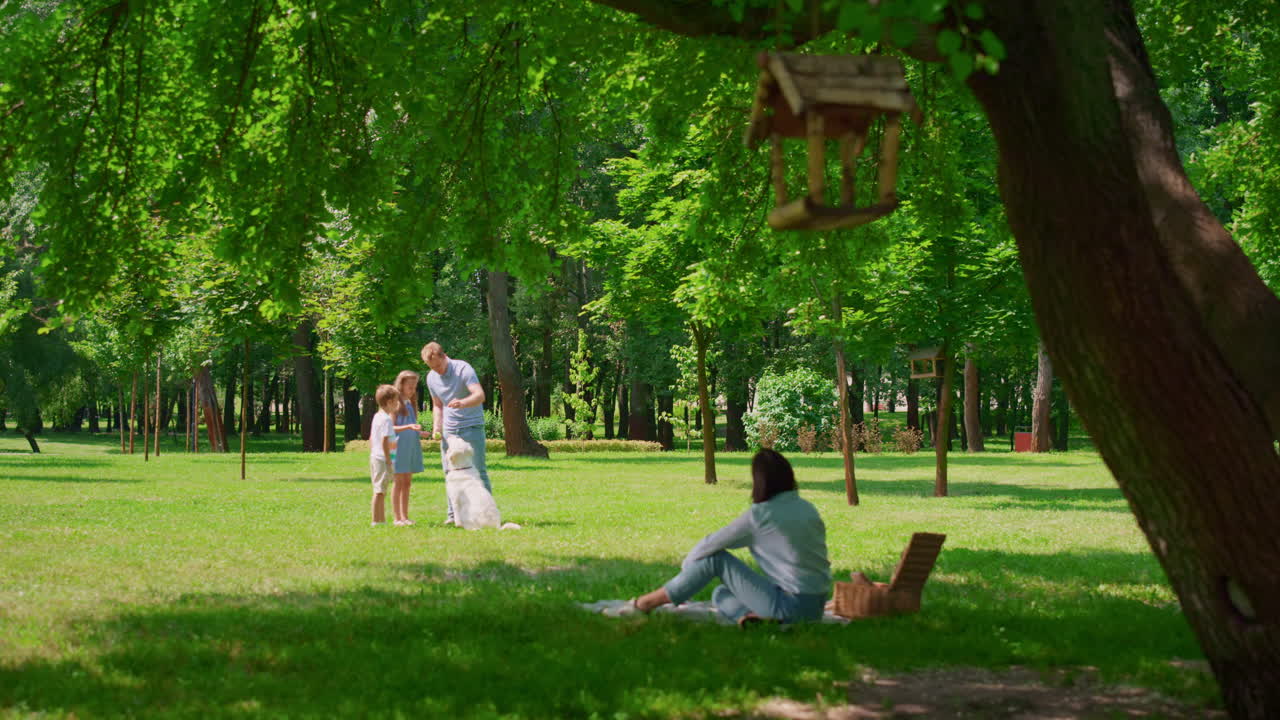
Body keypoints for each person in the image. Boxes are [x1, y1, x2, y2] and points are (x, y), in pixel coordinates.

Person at [632, 449, 831, 625]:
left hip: (790, 606)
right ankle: (750, 619)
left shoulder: (761, 515)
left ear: (759, 481)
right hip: (815, 607)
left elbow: (711, 544)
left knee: (716, 560)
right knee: (721, 594)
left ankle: (644, 603)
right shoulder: (807, 508)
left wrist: (688, 571)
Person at [421, 342, 489, 527]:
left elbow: (479, 395)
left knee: (478, 470)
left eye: (438, 366)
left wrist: (463, 403)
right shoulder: (431, 378)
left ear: (444, 356)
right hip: (449, 431)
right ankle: (453, 515)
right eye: (431, 367)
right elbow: (437, 404)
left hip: (471, 426)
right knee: (449, 472)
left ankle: (486, 513)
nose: (436, 370)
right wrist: (437, 427)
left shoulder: (463, 369)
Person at [391, 370, 427, 526]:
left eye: (415, 387)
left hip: (411, 448)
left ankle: (405, 516)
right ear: (401, 386)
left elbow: (411, 427)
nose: (413, 390)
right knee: (398, 482)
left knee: (407, 483)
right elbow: (391, 428)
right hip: (399, 449)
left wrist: (419, 432)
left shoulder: (411, 405)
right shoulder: (395, 405)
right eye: (410, 387)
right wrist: (409, 427)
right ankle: (397, 518)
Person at [368, 384, 400, 526]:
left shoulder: (377, 416)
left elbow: (371, 437)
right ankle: (376, 520)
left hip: (376, 457)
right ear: (389, 402)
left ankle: (381, 520)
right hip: (383, 459)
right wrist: (388, 460)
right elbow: (385, 440)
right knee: (380, 491)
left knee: (380, 490)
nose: (397, 404)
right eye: (396, 401)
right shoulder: (386, 419)